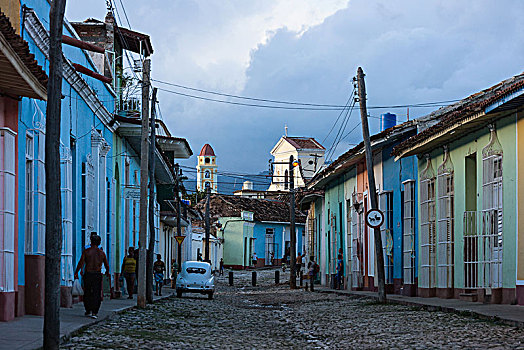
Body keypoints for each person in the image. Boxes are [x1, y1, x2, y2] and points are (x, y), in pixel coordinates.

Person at [74, 235, 109, 319]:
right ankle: (95, 312)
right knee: (97, 293)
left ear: (91, 242)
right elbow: (106, 265)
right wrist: (107, 272)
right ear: (99, 242)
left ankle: (88, 309)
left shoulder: (87, 251)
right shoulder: (102, 253)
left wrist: (76, 272)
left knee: (87, 292)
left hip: (88, 274)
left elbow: (81, 262)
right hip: (97, 274)